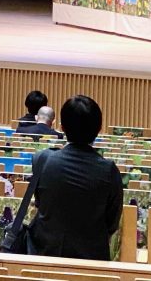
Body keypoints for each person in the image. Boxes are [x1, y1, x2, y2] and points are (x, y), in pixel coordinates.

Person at [21, 95, 122, 260]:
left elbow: (41, 203)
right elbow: (112, 223)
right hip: (91, 264)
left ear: (62, 127)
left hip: (43, 257)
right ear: (99, 129)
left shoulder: (42, 159)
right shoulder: (109, 170)